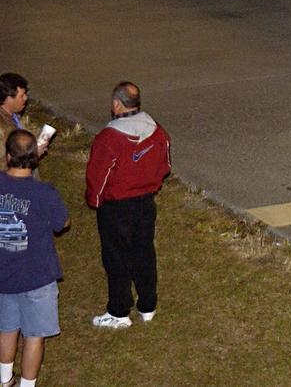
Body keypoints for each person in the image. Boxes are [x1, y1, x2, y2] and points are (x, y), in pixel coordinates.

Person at [85, 82, 171, 330]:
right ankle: (148, 306)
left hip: (116, 206)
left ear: (116, 104)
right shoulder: (156, 131)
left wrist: (96, 200)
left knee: (116, 258)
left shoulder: (109, 138)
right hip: (145, 203)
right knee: (144, 252)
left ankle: (119, 311)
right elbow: (165, 165)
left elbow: (98, 175)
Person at [0, 130, 69, 387]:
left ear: (8, 156)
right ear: (35, 158)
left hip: (4, 273)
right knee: (34, 335)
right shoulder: (44, 193)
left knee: (7, 328)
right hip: (37, 276)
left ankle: (4, 379)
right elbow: (62, 223)